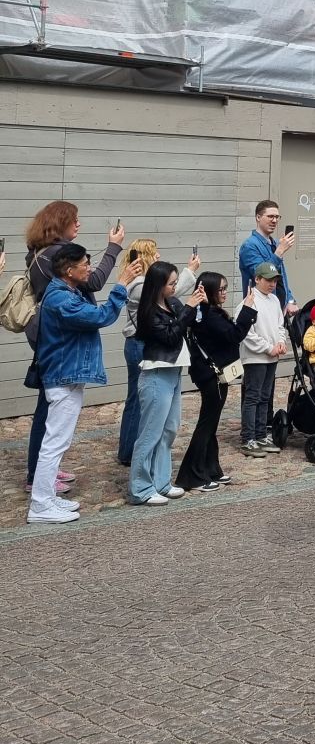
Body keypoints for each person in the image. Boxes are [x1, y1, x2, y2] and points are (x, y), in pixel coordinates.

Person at [28, 244, 141, 524]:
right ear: (69, 270)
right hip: (63, 377)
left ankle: (47, 499)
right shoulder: (62, 299)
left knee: (57, 442)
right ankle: (40, 505)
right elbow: (102, 317)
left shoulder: (67, 292)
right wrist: (122, 283)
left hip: (67, 375)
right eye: (84, 264)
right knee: (54, 443)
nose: (89, 269)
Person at [24, 203, 124, 496]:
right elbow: (94, 283)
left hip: (53, 333)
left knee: (49, 412)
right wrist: (113, 248)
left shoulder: (38, 253)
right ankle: (39, 480)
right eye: (75, 221)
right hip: (63, 339)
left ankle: (43, 472)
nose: (78, 225)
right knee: (52, 420)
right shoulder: (56, 257)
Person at [119, 240, 201, 466]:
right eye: (154, 254)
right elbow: (170, 290)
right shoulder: (139, 284)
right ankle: (129, 451)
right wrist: (189, 273)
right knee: (140, 401)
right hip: (141, 344)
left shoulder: (145, 283)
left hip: (146, 343)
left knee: (152, 409)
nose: (158, 256)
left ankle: (139, 454)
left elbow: (171, 292)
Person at [129, 259, 203, 505]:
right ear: (159, 285)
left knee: (169, 429)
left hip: (173, 372)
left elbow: (186, 324)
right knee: (150, 432)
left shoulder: (172, 303)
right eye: (171, 283)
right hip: (156, 374)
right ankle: (140, 487)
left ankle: (161, 481)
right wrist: (189, 308)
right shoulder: (149, 311)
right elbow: (171, 337)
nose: (175, 287)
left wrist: (195, 306)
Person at [176, 273, 254, 491]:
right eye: (221, 289)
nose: (224, 293)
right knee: (206, 424)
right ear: (209, 291)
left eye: (225, 288)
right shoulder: (207, 315)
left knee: (211, 425)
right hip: (211, 375)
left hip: (215, 373)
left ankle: (211, 469)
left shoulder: (207, 313)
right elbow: (235, 334)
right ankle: (192, 476)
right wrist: (247, 308)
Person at [240, 261, 288, 455]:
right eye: (268, 280)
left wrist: (281, 342)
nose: (272, 284)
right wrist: (268, 348)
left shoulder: (274, 301)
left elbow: (279, 325)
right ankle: (248, 438)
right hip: (256, 357)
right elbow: (247, 333)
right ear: (257, 279)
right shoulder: (250, 301)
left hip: (272, 357)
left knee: (265, 397)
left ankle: (260, 434)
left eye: (274, 280)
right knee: (252, 397)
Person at [237, 199, 297, 317]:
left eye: (277, 217)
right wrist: (279, 251)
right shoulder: (249, 246)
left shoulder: (274, 243)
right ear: (258, 217)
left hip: (278, 307)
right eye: (270, 216)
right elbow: (263, 275)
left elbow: (281, 278)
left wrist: (290, 300)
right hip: (259, 309)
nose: (274, 220)